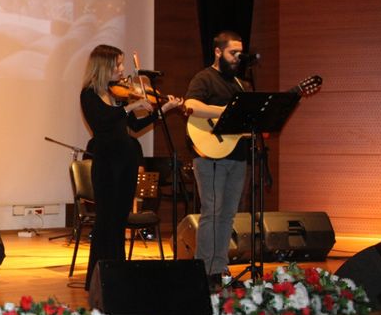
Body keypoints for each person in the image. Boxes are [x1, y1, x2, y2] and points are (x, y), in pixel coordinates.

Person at [80, 44, 183, 290]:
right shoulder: (89, 95)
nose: (123, 69)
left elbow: (135, 128)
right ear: (104, 66)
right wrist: (130, 106)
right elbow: (102, 122)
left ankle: (117, 273)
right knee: (106, 221)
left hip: (125, 165)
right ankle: (98, 277)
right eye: (118, 64)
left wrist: (162, 111)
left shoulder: (115, 95)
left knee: (118, 222)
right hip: (107, 166)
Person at [183, 30, 252, 289]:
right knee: (211, 213)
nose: (237, 58)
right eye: (233, 53)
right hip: (210, 156)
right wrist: (224, 111)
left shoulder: (240, 84)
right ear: (218, 51)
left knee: (228, 215)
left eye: (239, 54)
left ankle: (220, 269)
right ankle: (203, 271)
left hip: (237, 156)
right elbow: (191, 105)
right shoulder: (205, 78)